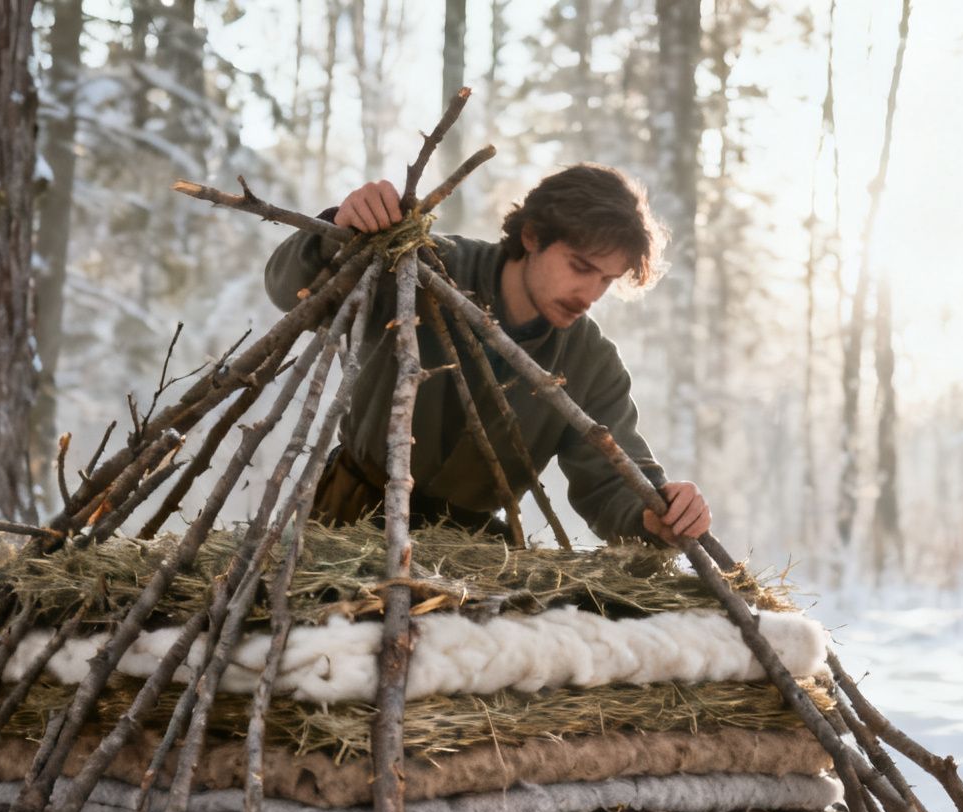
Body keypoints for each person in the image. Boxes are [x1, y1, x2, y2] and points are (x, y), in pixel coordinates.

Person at [265, 163, 712, 547]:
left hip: (471, 557)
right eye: (581, 267)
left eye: (607, 280)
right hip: (342, 523)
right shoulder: (421, 267)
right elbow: (291, 291)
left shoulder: (589, 362)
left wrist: (657, 514)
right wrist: (342, 232)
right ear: (533, 236)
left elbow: (613, 480)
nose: (590, 294)